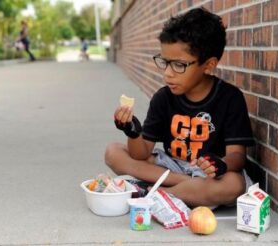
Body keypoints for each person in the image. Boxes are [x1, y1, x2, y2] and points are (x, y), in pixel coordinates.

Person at [105, 7, 255, 208]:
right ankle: (185, 188)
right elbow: (140, 154)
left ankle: (153, 194)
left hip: (209, 174)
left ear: (209, 65)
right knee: (113, 151)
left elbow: (237, 156)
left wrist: (221, 165)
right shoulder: (163, 98)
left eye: (179, 65)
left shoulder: (230, 98)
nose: (168, 73)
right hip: (170, 167)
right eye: (165, 62)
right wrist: (132, 132)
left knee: (234, 184)